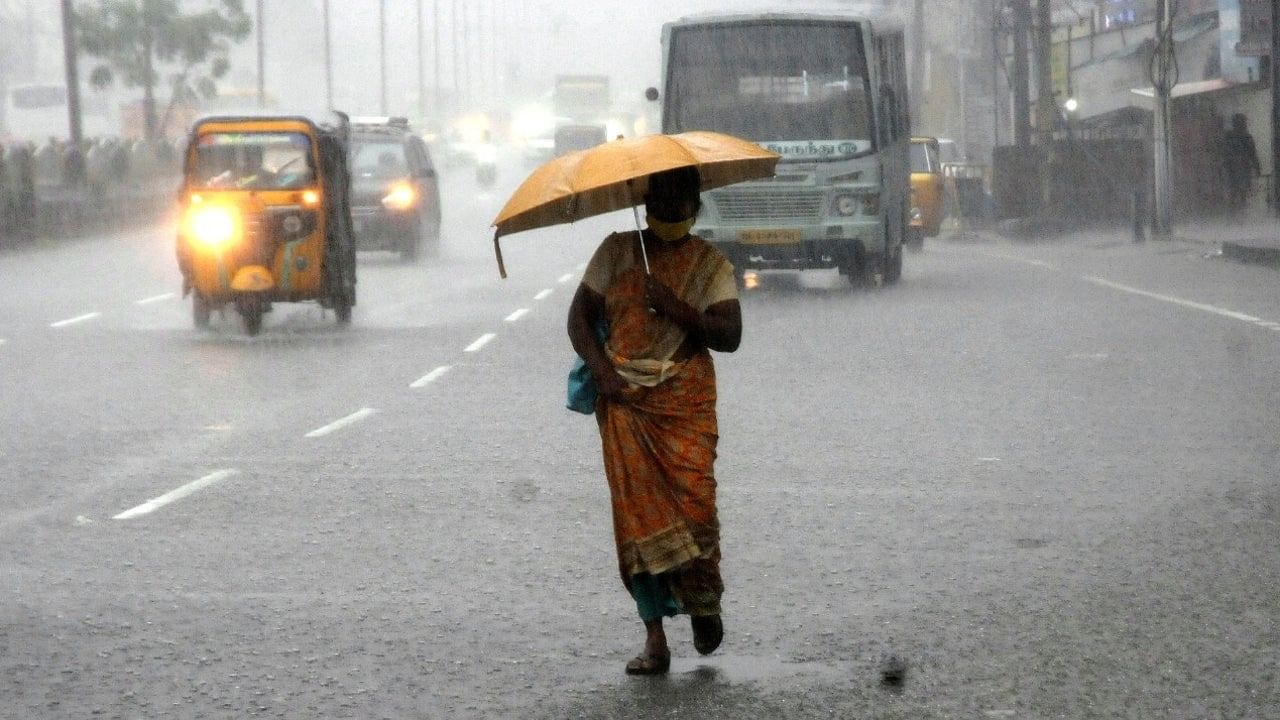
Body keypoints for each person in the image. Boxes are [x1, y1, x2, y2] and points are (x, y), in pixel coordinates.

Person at [566, 165, 743, 675]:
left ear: (695, 207)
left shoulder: (709, 266)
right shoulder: (617, 252)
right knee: (637, 524)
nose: (671, 214)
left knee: (697, 508)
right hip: (624, 405)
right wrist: (606, 375)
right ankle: (655, 637)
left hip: (684, 404)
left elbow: (729, 335)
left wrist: (674, 307)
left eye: (681, 205)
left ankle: (704, 602)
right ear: (646, 204)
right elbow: (578, 318)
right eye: (661, 204)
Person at [1220, 113, 1261, 216]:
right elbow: (1252, 154)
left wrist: (1257, 167)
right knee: (1236, 191)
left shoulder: (1242, 137)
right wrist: (1257, 167)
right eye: (1242, 122)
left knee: (1238, 191)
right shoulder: (1240, 137)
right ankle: (1236, 213)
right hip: (1235, 168)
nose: (1244, 124)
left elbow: (1252, 153)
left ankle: (1237, 214)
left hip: (1238, 167)